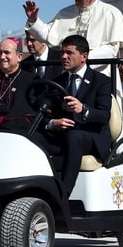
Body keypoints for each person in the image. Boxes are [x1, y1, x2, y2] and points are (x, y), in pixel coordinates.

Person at [35, 35, 112, 199]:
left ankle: (62, 194)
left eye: (69, 53)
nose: (63, 57)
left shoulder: (101, 81)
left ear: (84, 56)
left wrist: (83, 109)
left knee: (74, 137)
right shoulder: (57, 82)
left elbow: (104, 116)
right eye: (62, 52)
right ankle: (36, 189)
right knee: (32, 137)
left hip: (91, 137)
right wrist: (52, 123)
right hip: (62, 135)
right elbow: (44, 111)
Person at [22, 0, 123, 69]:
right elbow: (48, 36)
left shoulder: (111, 13)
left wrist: (82, 59)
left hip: (101, 74)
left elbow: (111, 49)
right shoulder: (65, 12)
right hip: (70, 74)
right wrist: (33, 20)